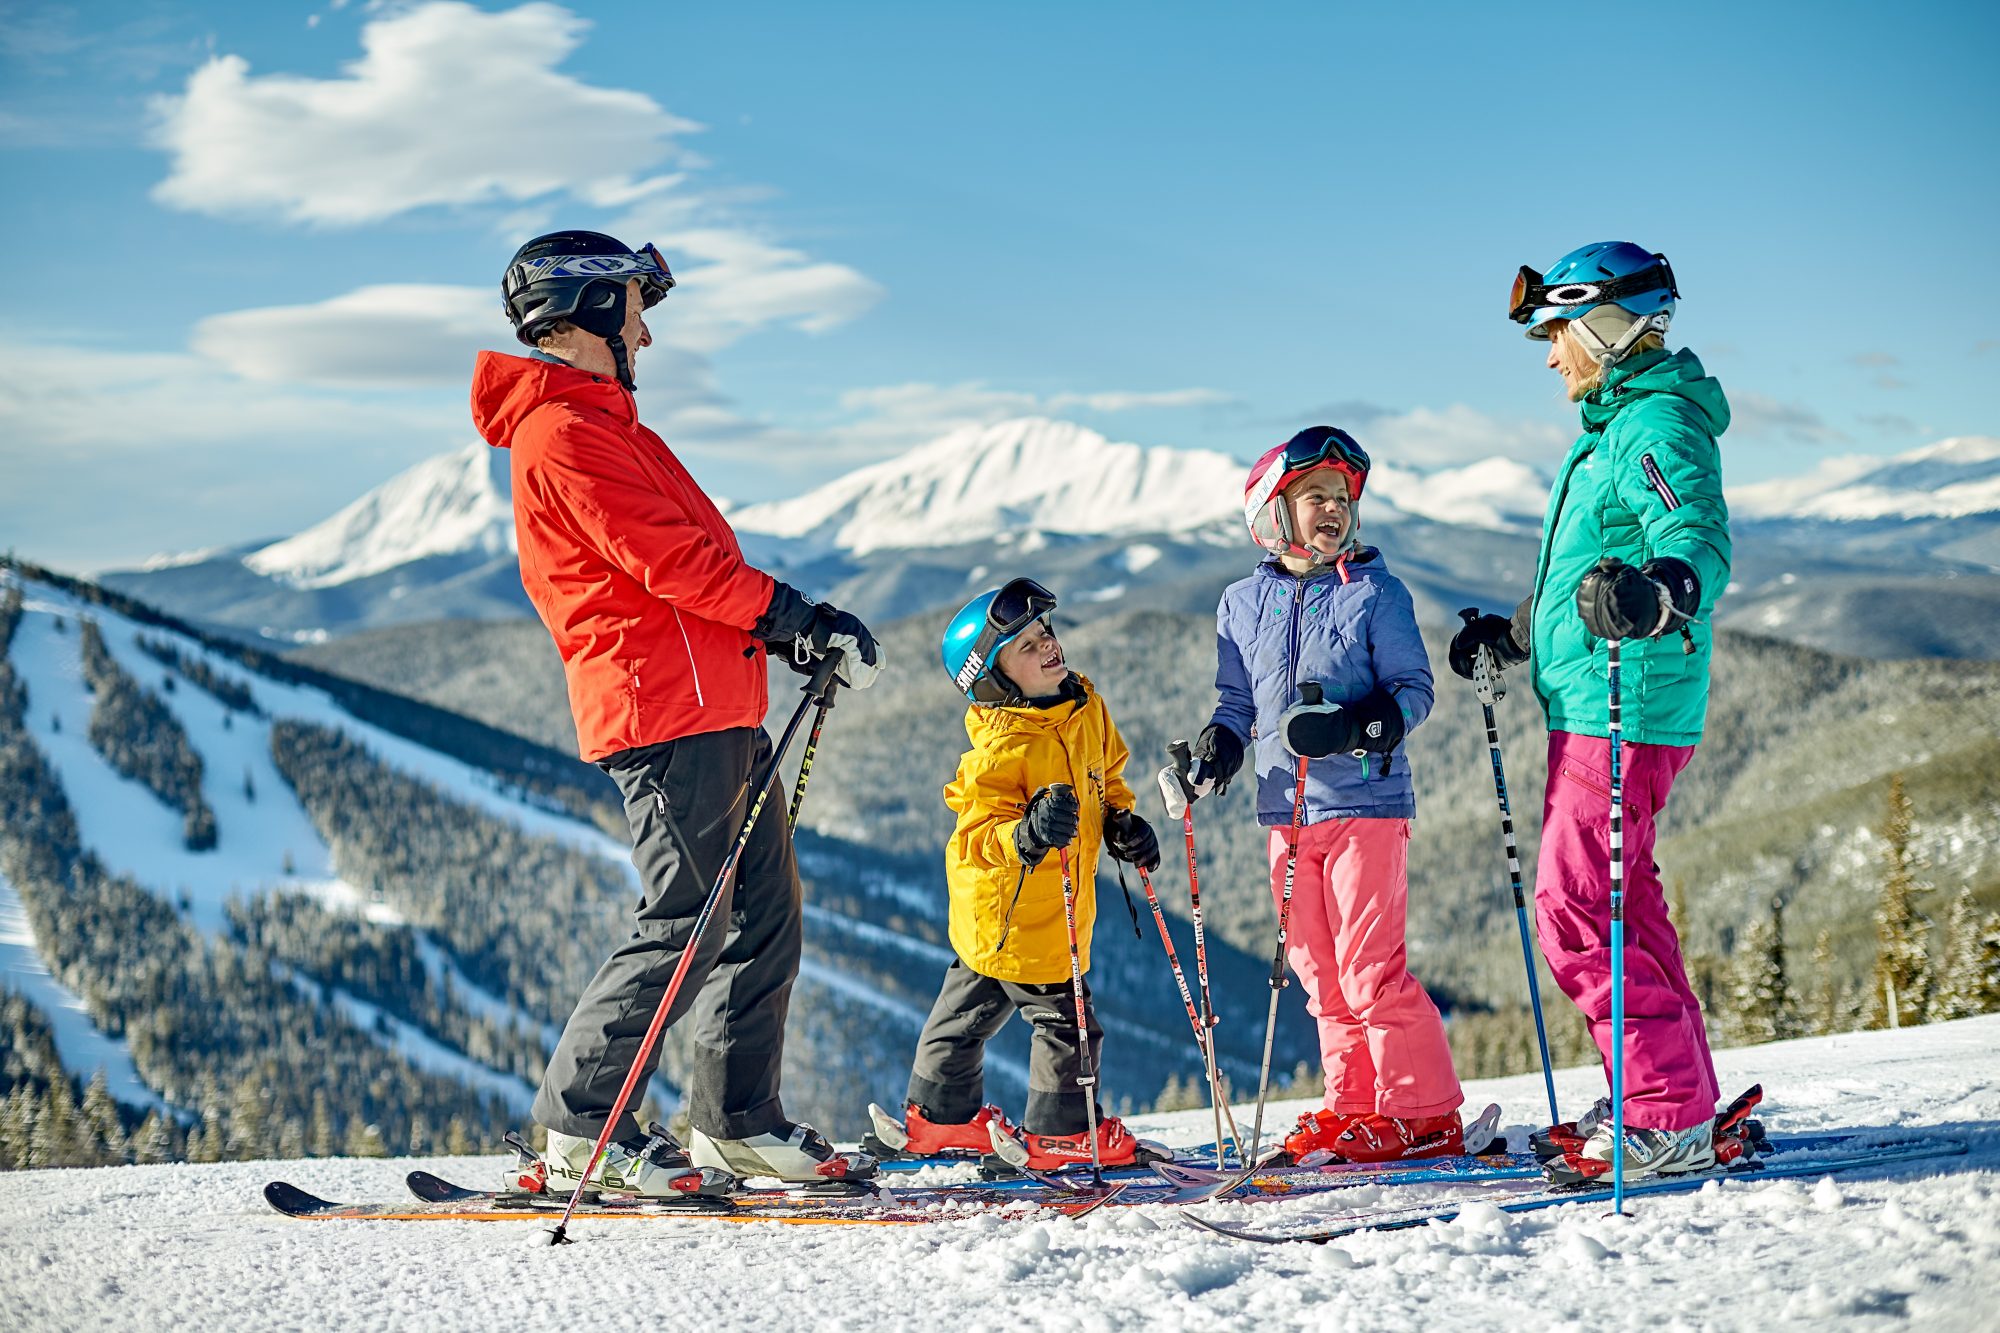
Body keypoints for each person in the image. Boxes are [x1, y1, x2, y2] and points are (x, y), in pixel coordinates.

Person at [471, 229, 884, 1191]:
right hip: (663, 712)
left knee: (764, 914)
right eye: (636, 308)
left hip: (715, 701)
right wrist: (792, 615)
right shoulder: (565, 435)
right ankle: (580, 1125)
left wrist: (782, 632)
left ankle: (736, 1122)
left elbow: (688, 575)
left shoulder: (607, 427)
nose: (646, 334)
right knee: (687, 917)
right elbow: (674, 564)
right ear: (589, 313)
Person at [1451, 241, 1730, 1178]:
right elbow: (1592, 570)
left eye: (1557, 332)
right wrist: (1520, 633)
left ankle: (1661, 1112)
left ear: (1607, 327)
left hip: (1625, 708)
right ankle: (1673, 1095)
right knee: (1624, 905)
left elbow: (1691, 537)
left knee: (1573, 907)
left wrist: (1665, 589)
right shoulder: (1609, 431)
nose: (1548, 355)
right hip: (1593, 703)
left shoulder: (1656, 426)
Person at [1176, 427, 1465, 1164]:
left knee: (1371, 967)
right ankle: (1356, 1105)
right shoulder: (1241, 603)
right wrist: (1217, 750)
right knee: (1321, 974)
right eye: (1314, 498)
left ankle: (1420, 1110)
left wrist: (1355, 726)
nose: (1332, 510)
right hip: (1286, 813)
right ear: (1273, 511)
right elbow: (1236, 704)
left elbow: (1414, 691)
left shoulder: (1376, 591)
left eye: (1340, 497)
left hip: (1366, 804)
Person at [867, 578, 1161, 1171]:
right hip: (1022, 912)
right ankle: (1062, 1132)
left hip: (1016, 913)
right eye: (1025, 646)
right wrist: (1025, 834)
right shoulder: (1001, 746)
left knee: (965, 1014)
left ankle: (939, 1118)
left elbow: (1105, 776)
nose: (1048, 645)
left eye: (1045, 632)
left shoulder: (1084, 709)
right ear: (994, 679)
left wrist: (1120, 823)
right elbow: (976, 835)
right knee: (1069, 1025)